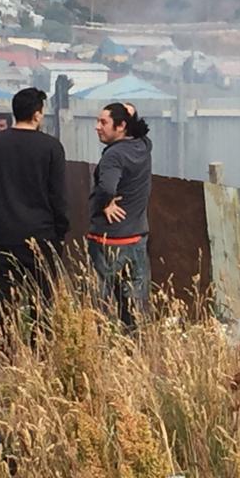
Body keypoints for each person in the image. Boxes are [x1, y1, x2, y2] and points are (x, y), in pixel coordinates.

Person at [0, 87, 69, 343]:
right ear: (37, 114)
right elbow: (57, 196)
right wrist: (61, 231)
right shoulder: (51, 147)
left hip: (4, 234)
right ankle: (39, 353)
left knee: (6, 299)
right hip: (42, 236)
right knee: (43, 301)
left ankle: (7, 351)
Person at [88, 101, 152, 329]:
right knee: (133, 304)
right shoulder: (144, 146)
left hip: (108, 240)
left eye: (103, 122)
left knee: (101, 304)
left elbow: (107, 187)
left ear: (121, 126)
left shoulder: (113, 156)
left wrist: (103, 203)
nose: (97, 127)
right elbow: (139, 128)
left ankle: (101, 350)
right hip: (135, 239)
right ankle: (133, 349)